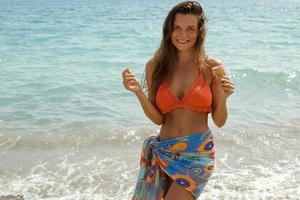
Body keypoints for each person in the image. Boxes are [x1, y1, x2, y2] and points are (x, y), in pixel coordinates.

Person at [122, 1, 234, 199]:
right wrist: (138, 92)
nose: (183, 35)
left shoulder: (212, 67)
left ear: (200, 32)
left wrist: (223, 98)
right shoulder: (155, 66)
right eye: (177, 28)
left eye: (190, 29)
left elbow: (220, 120)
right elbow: (158, 118)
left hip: (197, 154)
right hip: (164, 151)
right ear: (169, 30)